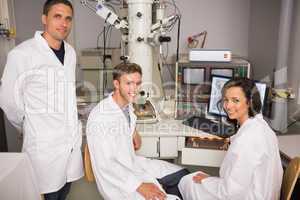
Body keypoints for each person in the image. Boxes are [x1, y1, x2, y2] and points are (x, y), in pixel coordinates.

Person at [0, 0, 83, 199]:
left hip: (70, 144)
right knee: (47, 194)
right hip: (44, 148)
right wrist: (28, 126)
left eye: (68, 18)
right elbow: (8, 102)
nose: (64, 23)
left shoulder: (70, 52)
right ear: (44, 19)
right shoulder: (21, 54)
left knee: (65, 192)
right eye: (57, 16)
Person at [86, 62, 189, 200]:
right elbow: (107, 165)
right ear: (116, 84)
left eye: (138, 83)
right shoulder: (101, 117)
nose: (134, 89)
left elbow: (126, 120)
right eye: (129, 83)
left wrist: (133, 131)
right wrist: (140, 186)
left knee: (183, 176)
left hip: (131, 164)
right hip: (117, 183)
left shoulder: (125, 105)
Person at [179, 77, 283, 200]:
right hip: (255, 193)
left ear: (249, 102)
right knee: (194, 179)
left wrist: (207, 181)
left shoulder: (247, 139)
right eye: (226, 100)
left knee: (189, 182)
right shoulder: (261, 126)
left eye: (235, 100)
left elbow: (230, 192)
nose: (228, 106)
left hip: (245, 196)